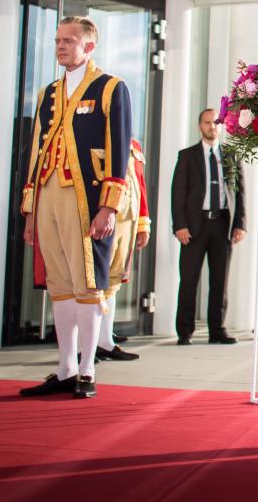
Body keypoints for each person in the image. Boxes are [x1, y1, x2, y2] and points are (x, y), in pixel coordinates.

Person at [19, 16, 131, 399]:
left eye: (69, 40)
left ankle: (87, 370)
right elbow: (35, 152)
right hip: (48, 192)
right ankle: (65, 366)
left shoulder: (109, 87)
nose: (61, 46)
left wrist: (110, 207)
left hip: (85, 197)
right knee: (60, 284)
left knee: (88, 282)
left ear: (89, 46)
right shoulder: (48, 93)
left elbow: (118, 151)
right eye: (57, 40)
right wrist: (30, 208)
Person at [171, 109, 247, 345]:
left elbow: (240, 191)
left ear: (221, 126)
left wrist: (240, 224)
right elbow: (178, 194)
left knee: (219, 281)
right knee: (189, 280)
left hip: (223, 225)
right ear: (199, 126)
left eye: (216, 123)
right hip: (195, 226)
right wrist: (179, 226)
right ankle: (185, 332)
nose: (212, 126)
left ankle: (217, 330)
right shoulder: (187, 156)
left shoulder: (232, 155)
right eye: (207, 122)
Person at [96, 138, 150, 361]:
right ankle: (85, 345)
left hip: (128, 219)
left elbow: (140, 184)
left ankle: (105, 341)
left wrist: (143, 224)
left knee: (114, 282)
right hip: (106, 217)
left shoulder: (134, 145)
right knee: (94, 282)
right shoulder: (99, 134)